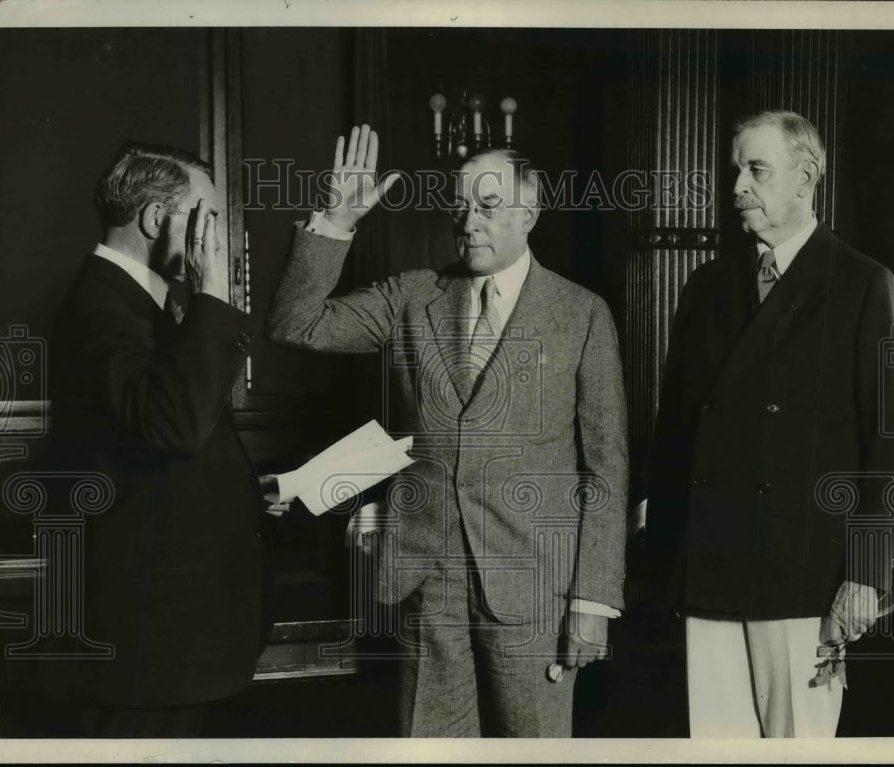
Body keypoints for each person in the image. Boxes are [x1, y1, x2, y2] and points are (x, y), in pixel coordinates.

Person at [267, 125, 628, 737]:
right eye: (459, 206)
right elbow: (297, 324)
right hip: (425, 580)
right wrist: (335, 223)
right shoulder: (415, 296)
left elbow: (606, 466)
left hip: (533, 585)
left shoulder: (581, 313)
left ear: (529, 212)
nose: (469, 221)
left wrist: (592, 601)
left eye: (488, 206)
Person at [646, 110, 894, 737]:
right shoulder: (707, 287)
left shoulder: (861, 283)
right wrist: (665, 556)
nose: (738, 185)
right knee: (717, 743)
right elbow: (675, 435)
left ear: (806, 178)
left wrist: (866, 572)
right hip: (711, 563)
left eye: (757, 170)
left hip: (806, 575)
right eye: (737, 169)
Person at [43, 143, 265, 737]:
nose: (214, 238)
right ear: (152, 219)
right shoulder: (101, 307)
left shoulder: (137, 302)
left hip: (174, 635)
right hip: (148, 645)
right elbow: (175, 425)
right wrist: (213, 293)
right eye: (206, 219)